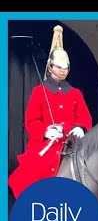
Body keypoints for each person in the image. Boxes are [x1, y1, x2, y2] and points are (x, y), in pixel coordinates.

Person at [8, 25, 93, 200]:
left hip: (72, 142)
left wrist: (81, 128)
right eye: (59, 66)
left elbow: (84, 116)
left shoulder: (75, 93)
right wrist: (46, 131)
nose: (63, 70)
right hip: (47, 144)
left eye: (66, 67)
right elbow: (31, 121)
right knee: (31, 173)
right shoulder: (40, 92)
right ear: (51, 67)